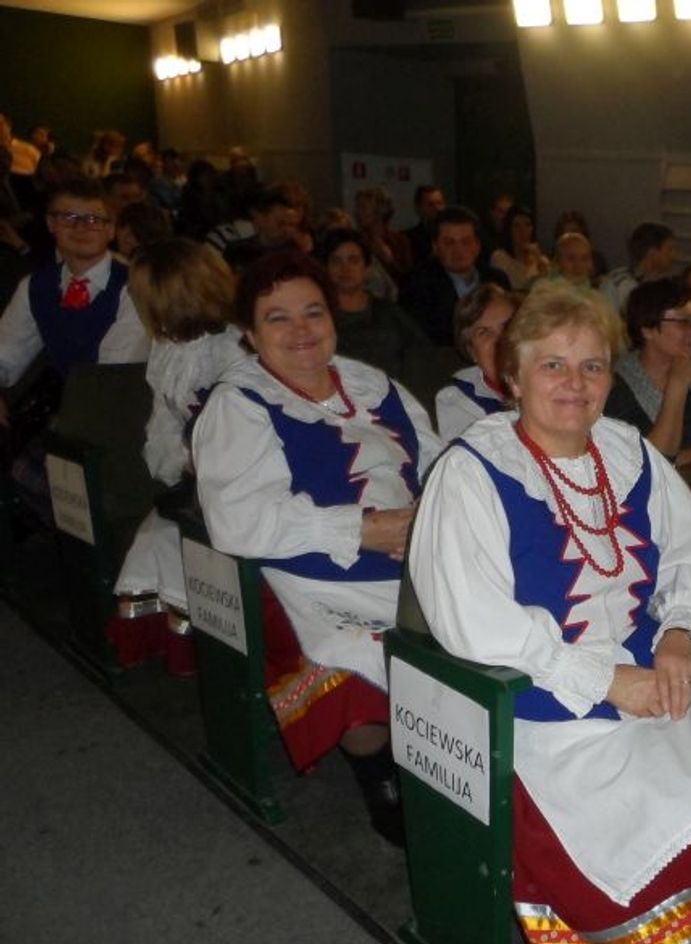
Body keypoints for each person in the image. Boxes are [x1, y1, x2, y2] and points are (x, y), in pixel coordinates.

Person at [407, 283, 691, 944]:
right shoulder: (472, 470)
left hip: (656, 672)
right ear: (513, 376)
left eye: (593, 366)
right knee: (673, 820)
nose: (576, 383)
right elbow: (473, 619)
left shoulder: (629, 451)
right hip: (546, 699)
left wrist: (680, 633)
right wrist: (604, 679)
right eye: (553, 365)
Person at [193, 251, 443, 845]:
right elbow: (238, 519)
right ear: (250, 334)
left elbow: (438, 462)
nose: (301, 330)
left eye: (313, 312)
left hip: (411, 557)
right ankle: (377, 769)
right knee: (352, 650)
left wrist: (437, 520)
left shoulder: (373, 385)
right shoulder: (239, 403)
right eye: (277, 318)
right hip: (306, 572)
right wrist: (362, 529)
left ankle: (456, 763)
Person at [110, 238, 248, 667]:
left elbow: (247, 433)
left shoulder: (235, 347)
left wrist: (206, 464)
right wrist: (178, 463)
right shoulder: (168, 347)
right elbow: (163, 421)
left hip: (244, 480)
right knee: (155, 540)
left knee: (172, 541)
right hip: (194, 478)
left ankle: (216, 657)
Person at [0, 177, 150, 416]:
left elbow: (112, 377)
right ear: (51, 224)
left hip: (124, 415)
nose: (81, 228)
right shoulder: (35, 286)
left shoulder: (135, 288)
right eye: (68, 218)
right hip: (66, 414)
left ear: (111, 229)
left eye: (93, 219)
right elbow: (6, 353)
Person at [607, 278, 691, 468]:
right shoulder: (615, 385)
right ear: (647, 329)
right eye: (683, 323)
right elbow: (639, 466)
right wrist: (677, 386)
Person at [320, 228, 428, 378]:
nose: (345, 269)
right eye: (336, 261)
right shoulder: (318, 319)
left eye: (353, 260)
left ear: (367, 268)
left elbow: (424, 355)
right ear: (325, 268)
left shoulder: (390, 313)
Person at [399, 205, 509, 346]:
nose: (458, 250)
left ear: (477, 246)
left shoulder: (498, 280)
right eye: (449, 243)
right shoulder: (416, 286)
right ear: (436, 247)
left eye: (466, 242)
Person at [435, 282, 517, 442]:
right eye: (484, 333)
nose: (500, 340)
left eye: (507, 326)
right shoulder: (458, 402)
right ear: (472, 352)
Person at [599, 221, 677, 318]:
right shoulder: (620, 284)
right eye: (670, 249)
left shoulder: (663, 285)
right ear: (652, 253)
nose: (674, 256)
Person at [488, 204, 549, 292]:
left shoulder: (541, 260)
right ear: (509, 229)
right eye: (516, 226)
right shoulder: (500, 258)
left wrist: (539, 260)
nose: (523, 231)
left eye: (527, 225)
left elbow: (550, 288)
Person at [404, 183, 446, 268]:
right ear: (418, 208)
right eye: (431, 205)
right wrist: (432, 257)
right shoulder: (409, 239)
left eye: (440, 203)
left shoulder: (456, 234)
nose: (437, 208)